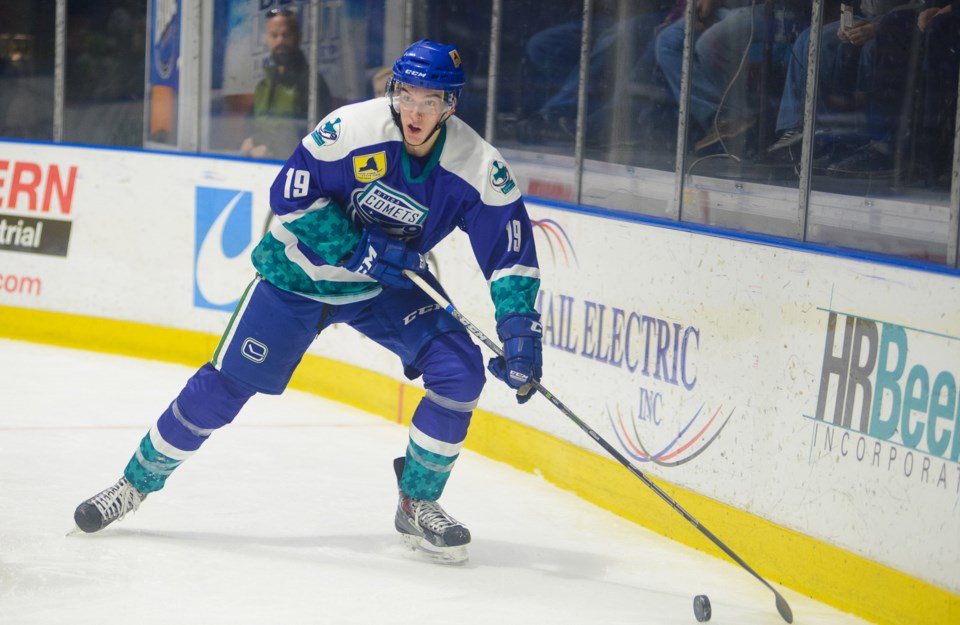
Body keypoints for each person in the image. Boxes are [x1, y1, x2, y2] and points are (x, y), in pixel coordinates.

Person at [74, 40, 544, 564]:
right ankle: (133, 485)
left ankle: (417, 501)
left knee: (459, 371)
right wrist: (358, 248)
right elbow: (290, 197)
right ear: (394, 92)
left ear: (449, 106)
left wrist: (521, 331)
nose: (415, 110)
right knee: (224, 388)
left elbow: (511, 253)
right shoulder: (351, 130)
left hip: (380, 288)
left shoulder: (477, 164)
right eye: (407, 95)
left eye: (430, 101)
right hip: (298, 277)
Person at [655, 0, 810, 154]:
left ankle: (736, 114)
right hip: (732, 9)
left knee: (708, 44)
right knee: (669, 41)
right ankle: (721, 118)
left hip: (778, 12)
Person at [766, 0, 910, 158]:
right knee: (811, 40)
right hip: (868, 16)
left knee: (870, 49)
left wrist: (878, 26)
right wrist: (847, 21)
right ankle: (802, 129)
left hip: (902, 19)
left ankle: (875, 146)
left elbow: (922, 6)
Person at [240, 8, 332, 159]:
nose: (280, 41)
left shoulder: (311, 83)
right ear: (267, 39)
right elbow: (252, 124)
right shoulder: (263, 85)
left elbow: (316, 134)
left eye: (286, 35)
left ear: (297, 37)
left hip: (294, 167)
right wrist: (251, 142)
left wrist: (267, 146)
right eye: (274, 35)